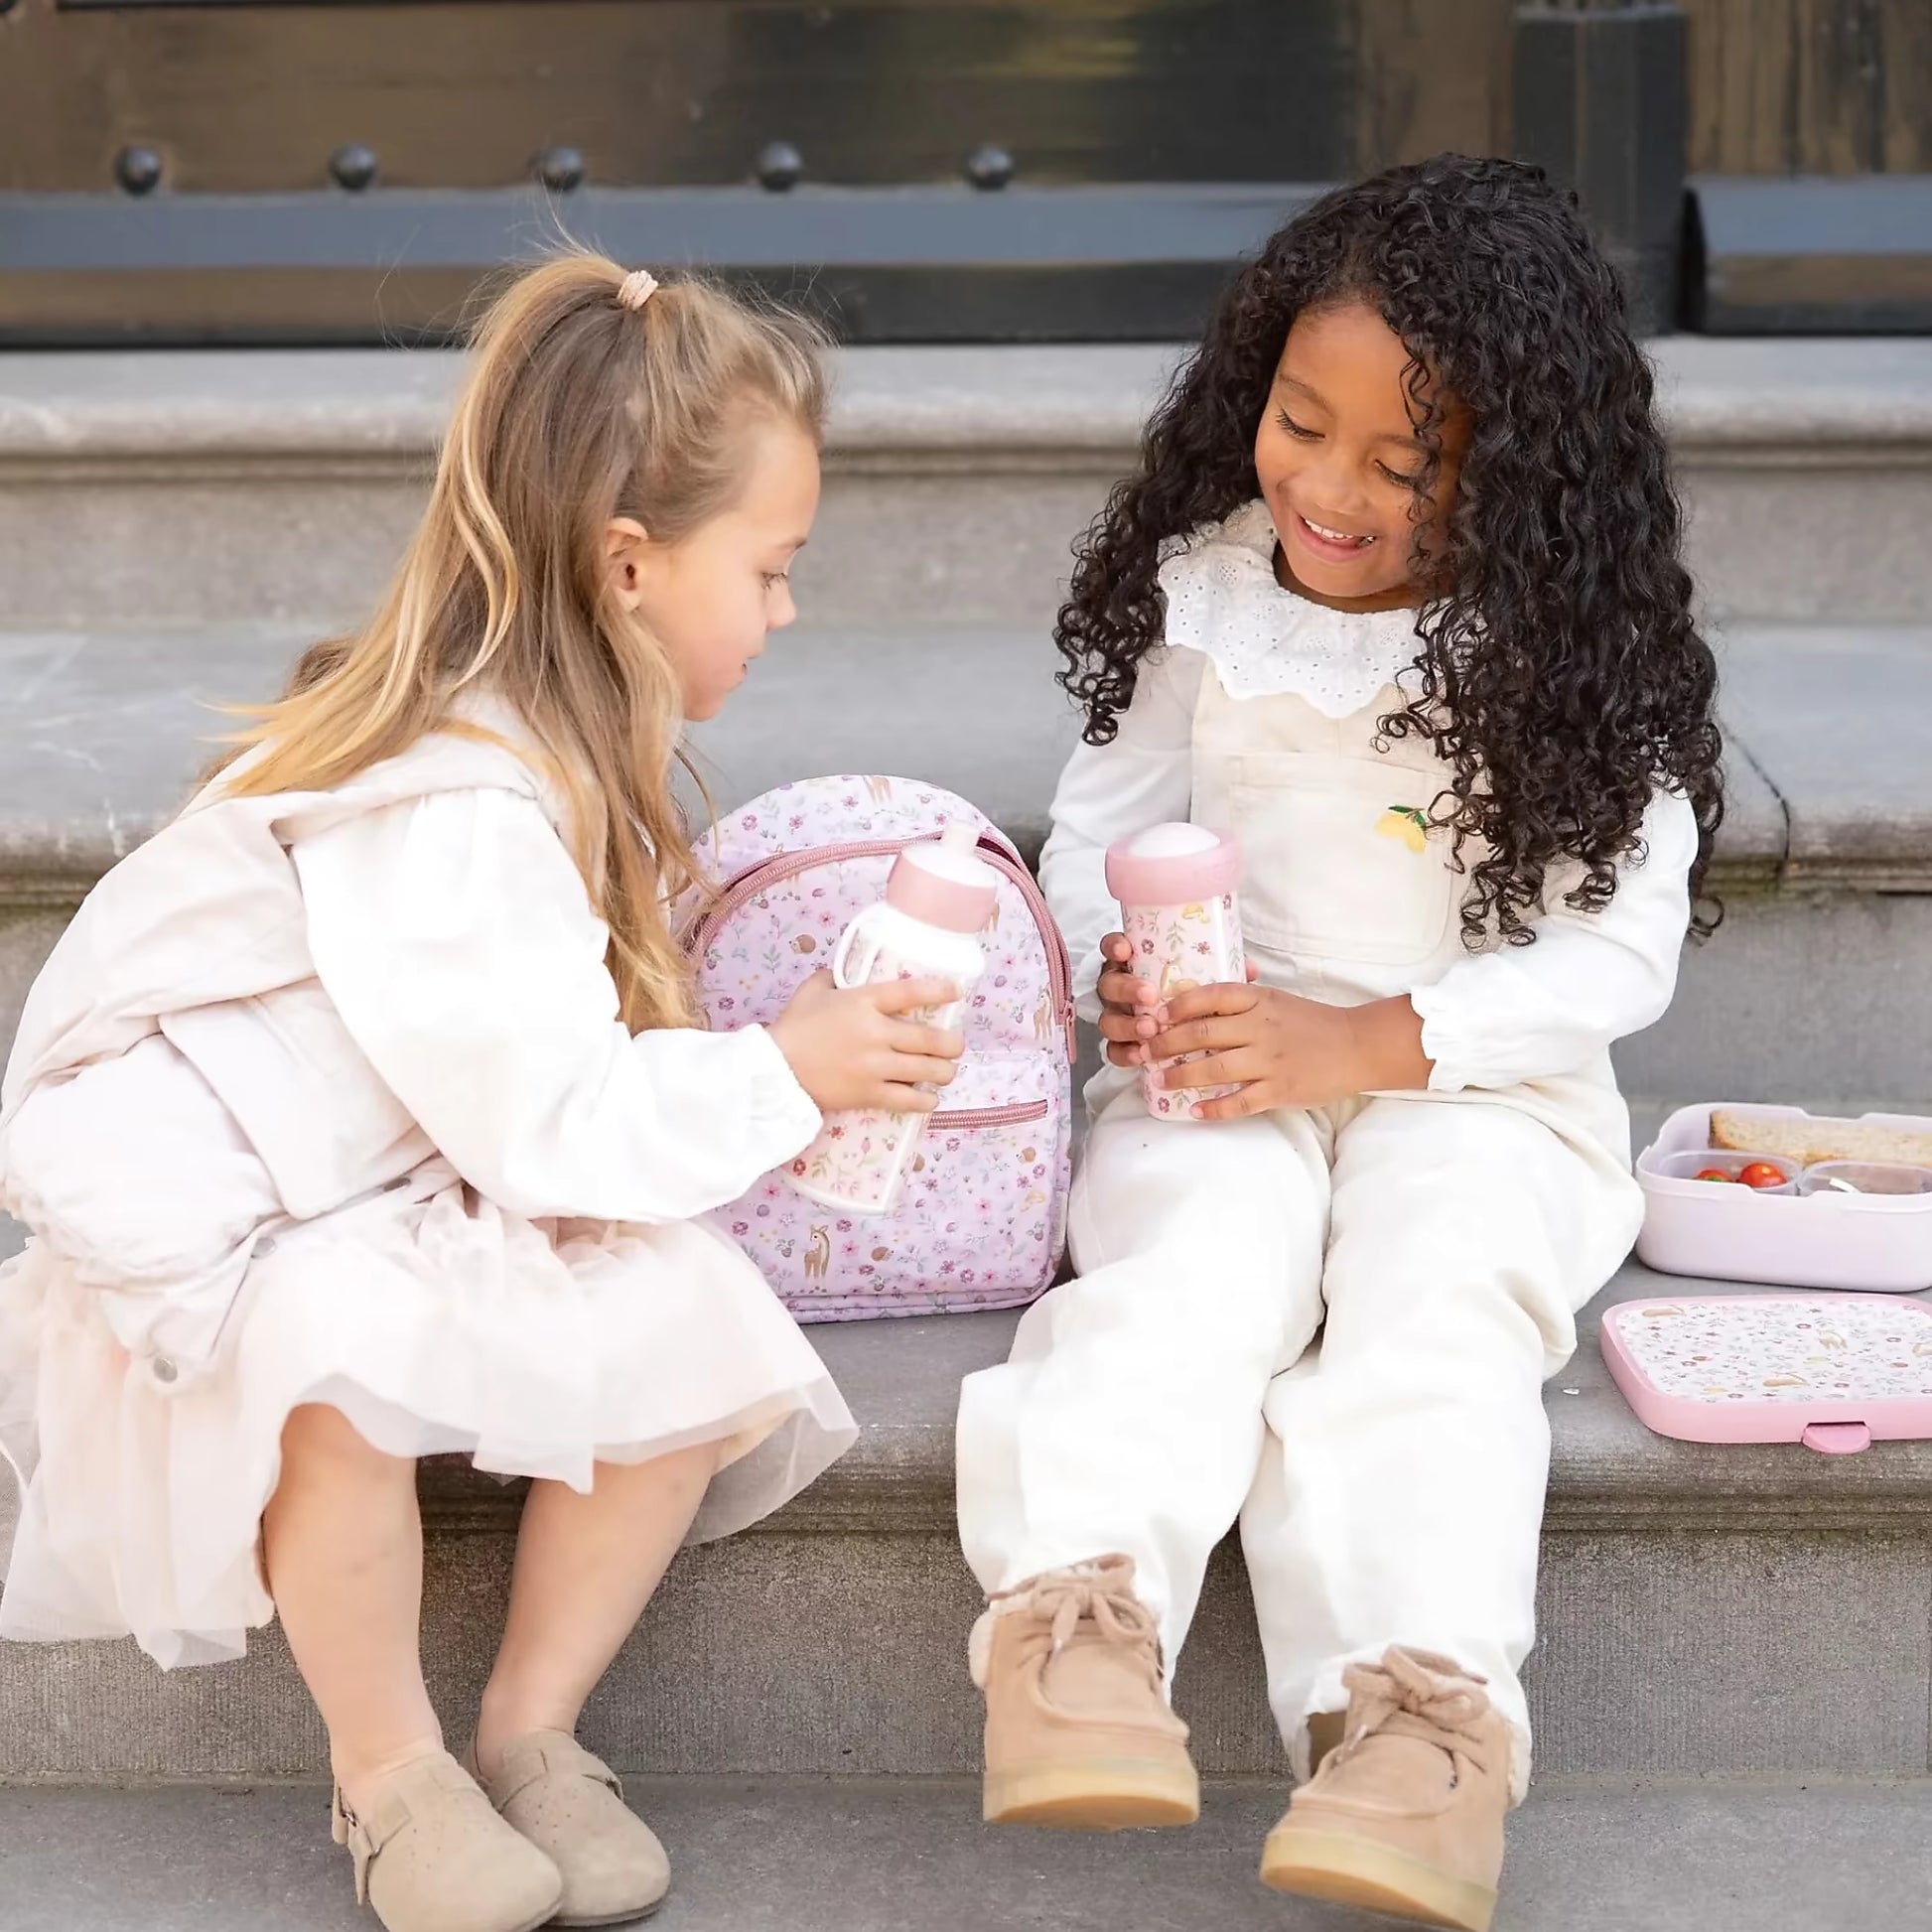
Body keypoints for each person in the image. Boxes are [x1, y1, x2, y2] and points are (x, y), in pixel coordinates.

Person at [0, 255, 963, 1932]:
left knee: (686, 1311)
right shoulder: (455, 800)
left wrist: (765, 1069)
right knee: (324, 1366)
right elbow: (537, 1124)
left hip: (393, 1151)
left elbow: (527, 1101)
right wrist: (779, 1070)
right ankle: (392, 1774)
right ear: (629, 564)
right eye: (774, 568)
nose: (788, 611)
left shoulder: (548, 758)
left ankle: (529, 1731)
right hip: (243, 1185)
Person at [955, 156, 1723, 1932]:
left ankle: (1413, 1724)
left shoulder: (1559, 643)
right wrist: (1114, 970)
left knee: (1435, 1308)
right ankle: (1075, 1623)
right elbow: (1102, 816)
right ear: (1254, 387)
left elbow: (1611, 945)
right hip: (1221, 1038)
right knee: (1182, 1261)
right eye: (1302, 424)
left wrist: (1365, 1042)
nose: (1330, 486)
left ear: (1518, 478)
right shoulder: (1207, 584)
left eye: (1405, 462)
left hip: (1476, 1080)